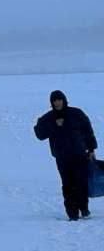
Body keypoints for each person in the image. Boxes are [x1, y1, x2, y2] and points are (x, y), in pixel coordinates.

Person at [34, 90, 98, 221]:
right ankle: (72, 213)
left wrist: (91, 149)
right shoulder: (48, 118)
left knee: (81, 183)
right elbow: (39, 134)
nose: (57, 102)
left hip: (80, 154)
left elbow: (88, 131)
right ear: (51, 103)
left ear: (64, 100)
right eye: (54, 100)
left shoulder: (76, 114)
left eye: (59, 99)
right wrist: (54, 125)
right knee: (68, 184)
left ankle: (84, 209)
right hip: (62, 157)